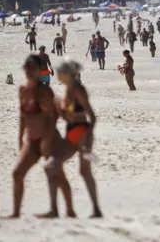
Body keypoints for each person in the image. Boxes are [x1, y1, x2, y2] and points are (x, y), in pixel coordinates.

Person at [6, 55, 72, 218]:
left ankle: (68, 210)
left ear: (38, 71)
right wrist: (20, 138)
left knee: (57, 174)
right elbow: (22, 116)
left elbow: (52, 117)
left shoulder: (44, 91)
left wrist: (47, 139)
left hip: (49, 138)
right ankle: (15, 213)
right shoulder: (22, 90)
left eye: (32, 68)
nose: (28, 71)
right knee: (17, 174)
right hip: (31, 140)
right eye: (26, 68)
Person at [55, 59, 103, 218]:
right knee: (55, 164)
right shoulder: (69, 89)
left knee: (84, 171)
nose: (57, 74)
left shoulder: (78, 90)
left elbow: (92, 116)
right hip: (72, 131)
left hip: (82, 132)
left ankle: (94, 209)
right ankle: (68, 209)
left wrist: (87, 141)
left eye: (60, 72)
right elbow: (67, 114)